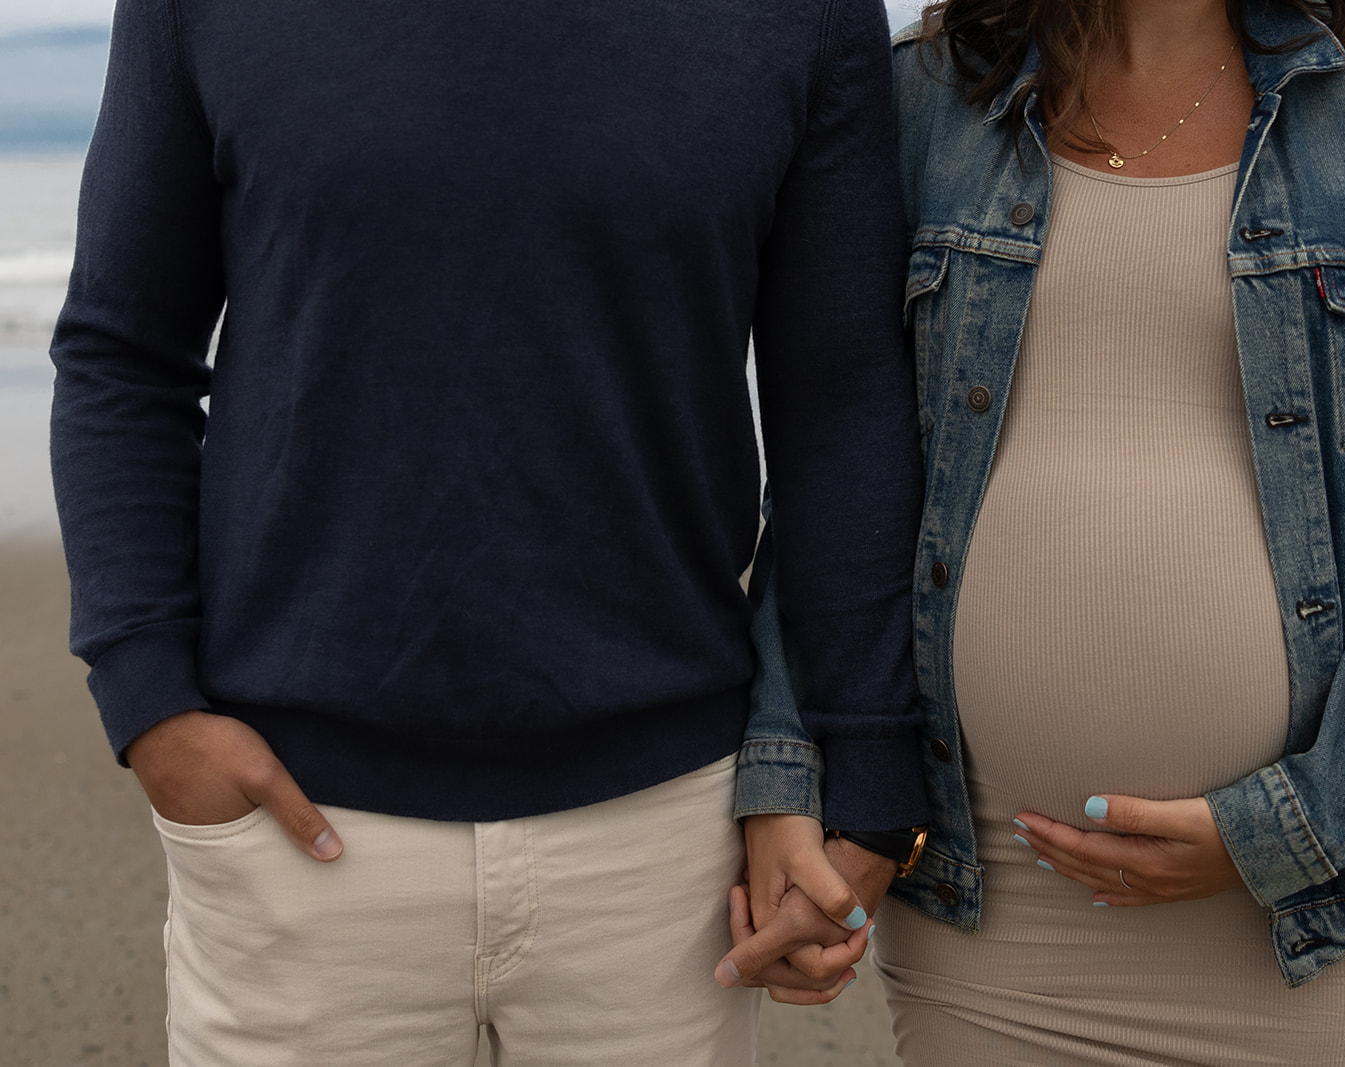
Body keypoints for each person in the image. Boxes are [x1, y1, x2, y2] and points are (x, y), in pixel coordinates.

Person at [48, 0, 928, 1062]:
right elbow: (123, 351)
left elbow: (839, 403)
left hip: (665, 837)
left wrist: (870, 774)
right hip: (299, 818)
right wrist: (148, 697)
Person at [737, 0, 1345, 1060]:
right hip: (993, 910)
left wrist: (1298, 822)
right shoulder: (926, 99)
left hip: (1301, 919)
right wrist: (788, 777)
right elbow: (833, 462)